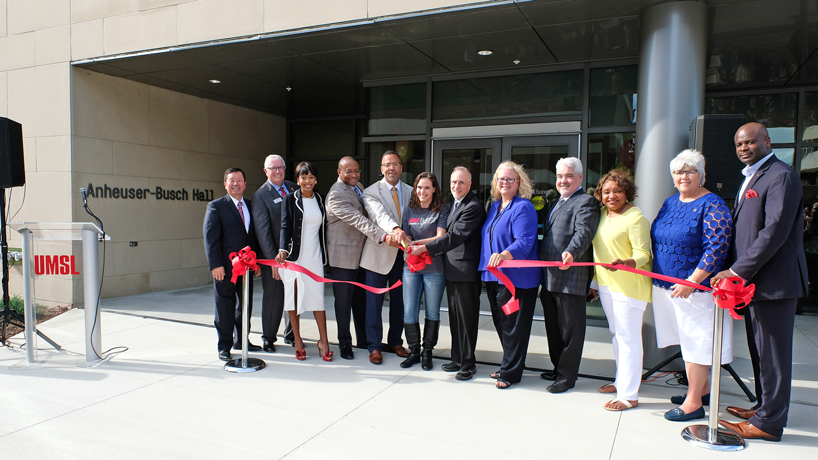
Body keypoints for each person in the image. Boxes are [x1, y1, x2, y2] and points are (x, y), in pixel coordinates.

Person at [712, 122, 808, 442]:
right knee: (759, 350)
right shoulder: (753, 176)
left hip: (774, 282)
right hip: (755, 283)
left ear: (767, 141)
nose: (744, 148)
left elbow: (775, 231)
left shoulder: (781, 176)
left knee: (774, 354)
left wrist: (738, 271)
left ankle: (769, 424)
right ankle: (764, 406)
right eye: (739, 144)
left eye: (750, 142)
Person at [650, 149, 733, 422]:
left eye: (689, 171)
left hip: (695, 291)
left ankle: (694, 402)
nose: (683, 176)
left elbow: (716, 248)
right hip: (666, 285)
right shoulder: (670, 202)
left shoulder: (713, 204)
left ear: (701, 174)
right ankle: (703, 389)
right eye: (678, 172)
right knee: (685, 342)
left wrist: (692, 280)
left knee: (697, 343)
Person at [414, 166, 486, 380]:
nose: (457, 186)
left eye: (461, 182)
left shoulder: (473, 206)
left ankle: (468, 363)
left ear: (470, 185)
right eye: (454, 182)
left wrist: (426, 248)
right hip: (453, 270)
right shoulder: (454, 204)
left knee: (467, 319)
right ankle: (457, 358)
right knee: (455, 318)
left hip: (466, 272)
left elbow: (455, 236)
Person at [589, 169, 651, 411]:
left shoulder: (636, 218)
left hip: (629, 286)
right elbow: (599, 253)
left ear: (627, 193)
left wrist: (627, 263)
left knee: (629, 339)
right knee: (617, 335)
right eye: (606, 192)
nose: (611, 195)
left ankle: (629, 395)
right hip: (606, 284)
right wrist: (595, 282)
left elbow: (643, 254)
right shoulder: (603, 214)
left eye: (617, 191)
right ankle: (621, 381)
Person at [538, 157, 600, 394]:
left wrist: (571, 253)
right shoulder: (557, 202)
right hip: (550, 278)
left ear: (580, 178)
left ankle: (567, 376)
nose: (563, 180)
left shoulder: (586, 202)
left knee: (571, 331)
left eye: (569, 176)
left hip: (570, 277)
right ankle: (557, 368)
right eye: (560, 176)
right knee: (554, 328)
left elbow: (584, 232)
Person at [479, 161, 541, 390]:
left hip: (515, 279)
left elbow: (525, 242)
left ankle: (512, 373)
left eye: (509, 179)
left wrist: (504, 254)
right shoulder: (495, 206)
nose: (504, 183)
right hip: (494, 277)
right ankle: (508, 364)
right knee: (502, 323)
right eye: (500, 179)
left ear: (519, 182)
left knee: (514, 325)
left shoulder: (523, 207)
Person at [325, 156, 387, 360]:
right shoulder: (335, 194)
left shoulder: (358, 186)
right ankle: (344, 343)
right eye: (348, 171)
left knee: (361, 302)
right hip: (342, 258)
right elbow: (358, 219)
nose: (354, 175)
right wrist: (383, 235)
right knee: (343, 303)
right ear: (339, 172)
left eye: (357, 170)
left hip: (362, 256)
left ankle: (364, 340)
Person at [275, 162, 333, 362]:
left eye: (310, 177)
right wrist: (283, 250)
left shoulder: (320, 199)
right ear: (297, 180)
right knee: (294, 297)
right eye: (303, 177)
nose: (307, 181)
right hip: (295, 257)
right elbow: (285, 226)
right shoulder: (290, 199)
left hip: (315, 256)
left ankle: (323, 341)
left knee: (318, 298)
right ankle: (297, 341)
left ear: (316, 180)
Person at [203, 168, 260, 361]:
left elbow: (255, 236)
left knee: (245, 305)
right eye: (231, 180)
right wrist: (215, 264)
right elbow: (211, 238)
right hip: (225, 269)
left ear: (245, 184)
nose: (236, 183)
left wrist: (257, 262)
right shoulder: (216, 206)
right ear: (225, 184)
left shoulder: (252, 206)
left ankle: (242, 340)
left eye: (239, 180)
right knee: (225, 306)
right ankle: (224, 345)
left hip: (247, 268)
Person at [360, 151, 411, 364]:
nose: (392, 168)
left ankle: (396, 342)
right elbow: (379, 215)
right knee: (374, 303)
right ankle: (374, 346)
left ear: (401, 167)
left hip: (404, 257)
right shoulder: (371, 191)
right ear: (381, 169)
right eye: (387, 164)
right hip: (378, 255)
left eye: (395, 164)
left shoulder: (411, 190)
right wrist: (397, 230)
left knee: (400, 303)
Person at [400, 172, 448, 370]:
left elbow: (441, 237)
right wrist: (408, 243)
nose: (422, 191)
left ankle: (428, 351)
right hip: (411, 267)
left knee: (432, 311)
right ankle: (414, 351)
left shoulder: (442, 210)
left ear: (434, 189)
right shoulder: (409, 210)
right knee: (410, 311)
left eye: (427, 187)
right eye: (419, 187)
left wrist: (418, 244)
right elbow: (406, 237)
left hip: (434, 268)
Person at [251, 155, 296, 353]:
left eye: (281, 167)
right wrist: (273, 262)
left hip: (295, 255)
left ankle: (291, 334)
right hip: (274, 257)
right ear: (265, 171)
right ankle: (268, 337)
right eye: (273, 168)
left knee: (293, 296)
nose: (278, 171)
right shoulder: (260, 196)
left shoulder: (294, 188)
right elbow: (263, 232)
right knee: (274, 297)